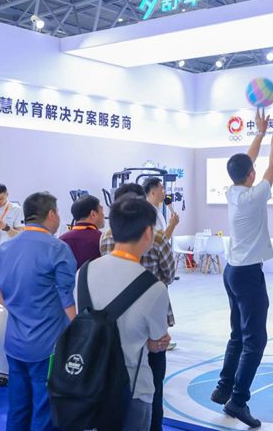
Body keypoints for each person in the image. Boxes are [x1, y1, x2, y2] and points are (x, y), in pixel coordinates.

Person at [211, 108, 273, 428]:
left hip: (232, 271)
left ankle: (223, 386)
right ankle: (238, 400)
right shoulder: (254, 196)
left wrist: (259, 133)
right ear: (251, 175)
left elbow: (250, 162)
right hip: (247, 275)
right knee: (255, 340)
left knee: (237, 334)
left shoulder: (233, 191)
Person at [0, 191, 76, 431]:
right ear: (51, 214)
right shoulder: (58, 249)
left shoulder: (6, 248)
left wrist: (7, 302)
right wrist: (79, 333)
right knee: (45, 409)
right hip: (48, 346)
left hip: (15, 343)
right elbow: (67, 298)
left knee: (18, 408)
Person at [79, 195, 171, 430]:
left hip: (88, 382)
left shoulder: (83, 273)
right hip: (132, 389)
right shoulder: (154, 288)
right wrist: (154, 343)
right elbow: (156, 343)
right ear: (148, 232)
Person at [101, 184, 176, 431]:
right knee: (152, 386)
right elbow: (169, 273)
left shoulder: (103, 241)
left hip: (110, 326)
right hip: (149, 321)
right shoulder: (157, 239)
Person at [60, 194, 105, 269]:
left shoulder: (61, 240)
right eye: (102, 211)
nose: (103, 215)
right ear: (93, 214)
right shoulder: (101, 239)